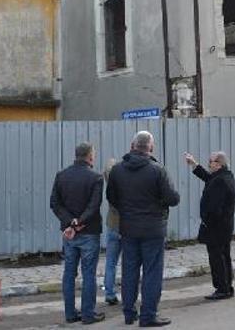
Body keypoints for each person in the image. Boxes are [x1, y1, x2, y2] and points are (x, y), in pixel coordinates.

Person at [107, 131, 180, 327]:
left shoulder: (117, 170)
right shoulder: (158, 170)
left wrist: (127, 210)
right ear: (151, 147)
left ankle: (129, 314)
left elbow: (111, 198)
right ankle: (148, 315)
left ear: (133, 146)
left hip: (128, 228)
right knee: (152, 272)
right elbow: (173, 199)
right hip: (153, 229)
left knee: (129, 271)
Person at [49, 142, 105, 325]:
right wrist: (78, 222)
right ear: (90, 156)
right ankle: (88, 314)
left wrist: (69, 223)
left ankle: (70, 314)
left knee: (69, 273)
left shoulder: (61, 175)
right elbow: (94, 205)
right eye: (93, 155)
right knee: (88, 273)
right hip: (88, 231)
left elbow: (55, 204)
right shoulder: (96, 178)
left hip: (68, 234)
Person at [184, 151, 235, 300]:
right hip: (224, 226)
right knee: (224, 256)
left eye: (211, 161)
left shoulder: (220, 181)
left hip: (217, 228)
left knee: (217, 258)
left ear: (219, 164)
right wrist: (194, 165)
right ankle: (227, 287)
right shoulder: (224, 176)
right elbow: (208, 178)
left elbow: (214, 208)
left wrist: (206, 221)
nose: (209, 164)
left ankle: (222, 289)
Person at [103, 158, 122, 306]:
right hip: (127, 227)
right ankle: (128, 291)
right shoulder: (126, 184)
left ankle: (109, 293)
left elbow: (108, 168)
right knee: (129, 262)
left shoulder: (109, 186)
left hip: (113, 225)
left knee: (111, 262)